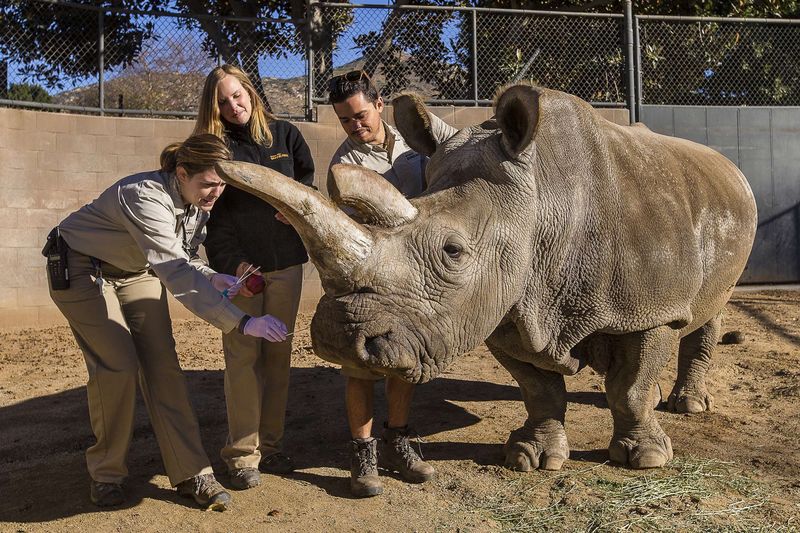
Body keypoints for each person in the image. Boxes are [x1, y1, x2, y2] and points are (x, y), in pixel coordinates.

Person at [46, 133, 288, 511]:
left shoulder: (196, 202)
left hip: (136, 271)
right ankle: (107, 475)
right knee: (119, 365)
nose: (215, 193)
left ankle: (193, 472)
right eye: (209, 184)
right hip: (82, 266)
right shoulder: (143, 195)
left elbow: (184, 258)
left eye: (222, 184)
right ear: (181, 173)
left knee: (164, 368)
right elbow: (174, 270)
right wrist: (242, 323)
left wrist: (212, 277)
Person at [327, 70, 457, 497]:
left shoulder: (415, 142)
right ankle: (362, 454)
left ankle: (398, 440)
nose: (355, 126)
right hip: (372, 277)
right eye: (345, 120)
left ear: (379, 104)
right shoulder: (344, 165)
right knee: (361, 365)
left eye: (361, 115)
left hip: (416, 273)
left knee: (404, 359)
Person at [193, 64, 315, 491]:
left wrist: (298, 209)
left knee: (277, 358)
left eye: (237, 95)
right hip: (243, 273)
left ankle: (273, 447)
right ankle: (243, 456)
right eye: (223, 101)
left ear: (251, 93)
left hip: (286, 267)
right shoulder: (215, 150)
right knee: (243, 359)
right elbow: (214, 220)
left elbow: (307, 185)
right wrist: (235, 265)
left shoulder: (286, 136)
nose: (233, 106)